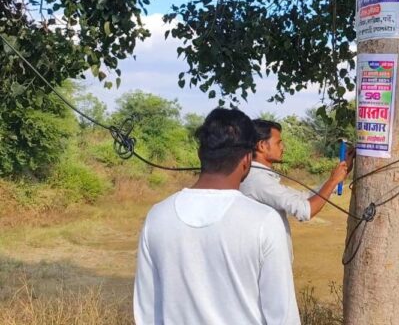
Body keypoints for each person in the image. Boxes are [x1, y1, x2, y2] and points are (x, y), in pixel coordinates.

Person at [133, 108, 300, 325]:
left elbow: (146, 312)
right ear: (247, 159)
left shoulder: (157, 217)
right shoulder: (264, 222)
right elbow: (283, 317)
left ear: (201, 154)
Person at [240, 119, 352, 256]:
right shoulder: (258, 180)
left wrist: (336, 178)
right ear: (262, 146)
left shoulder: (261, 177)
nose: (283, 148)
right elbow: (305, 210)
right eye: (278, 142)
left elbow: (303, 197)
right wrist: (334, 180)